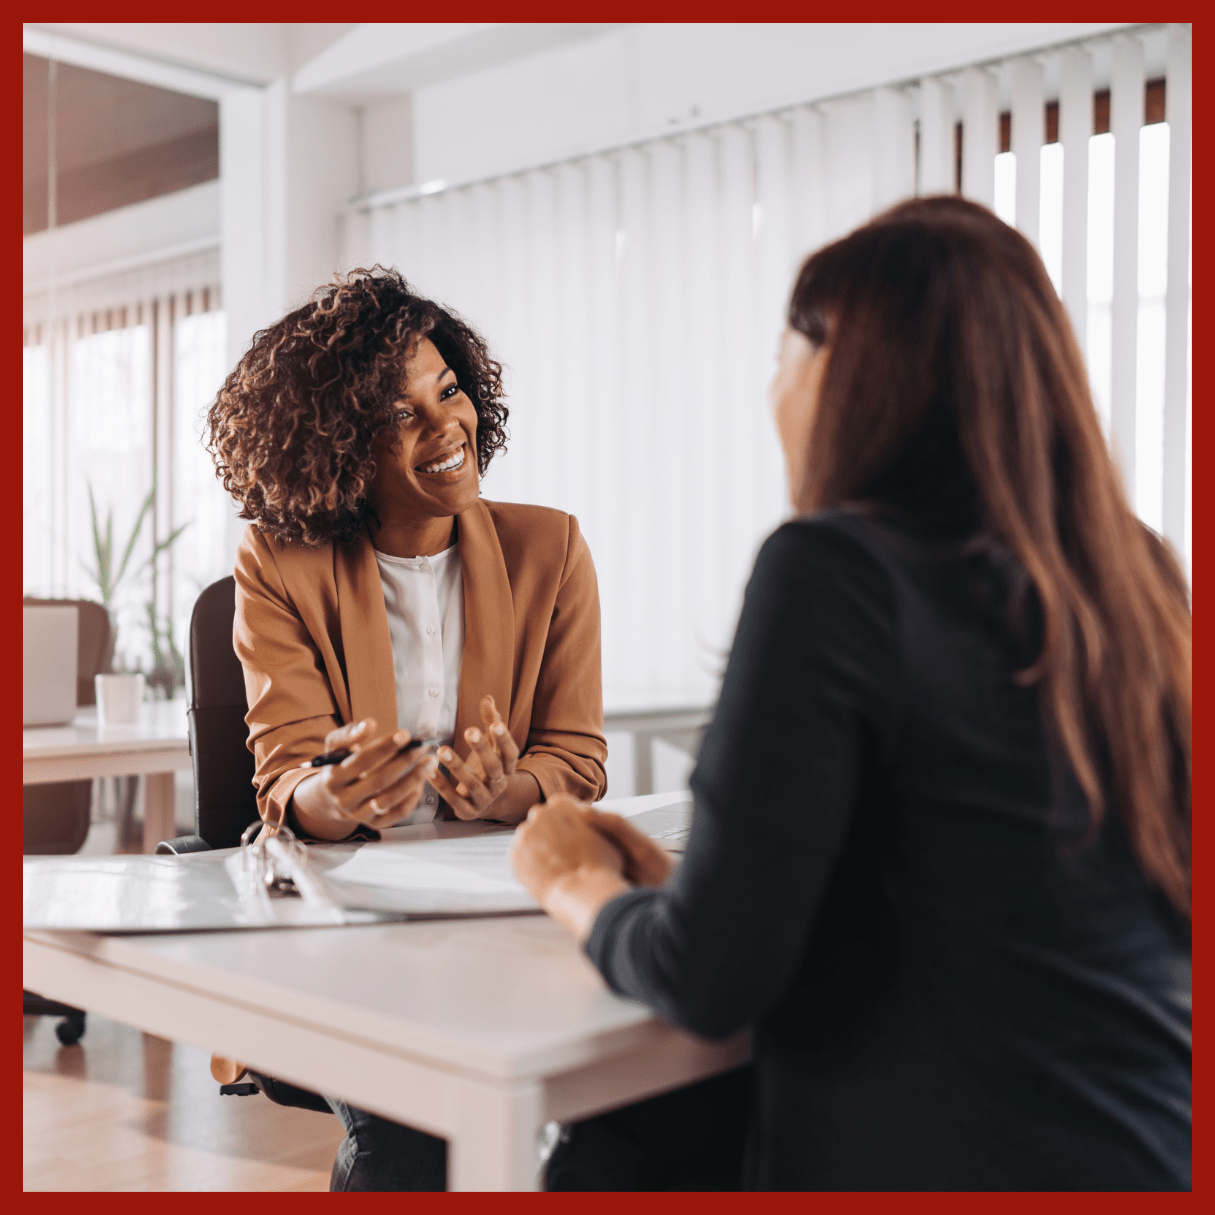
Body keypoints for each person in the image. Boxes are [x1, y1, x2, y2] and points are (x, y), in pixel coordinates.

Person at [512, 197, 1192, 1191]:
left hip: (962, 1164)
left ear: (842, 367)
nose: (771, 390)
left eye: (782, 355)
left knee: (612, 1155)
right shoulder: (1134, 574)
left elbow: (709, 983)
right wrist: (695, 895)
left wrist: (572, 881)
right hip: (1159, 1148)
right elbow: (996, 894)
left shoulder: (834, 570)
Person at [205, 267, 608, 1190]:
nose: (445, 430)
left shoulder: (550, 549)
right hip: (348, 930)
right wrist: (338, 796)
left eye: (450, 391)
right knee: (413, 1130)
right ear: (336, 442)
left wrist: (510, 790)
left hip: (500, 919)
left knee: (628, 1103)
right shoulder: (281, 561)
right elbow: (284, 783)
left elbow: (576, 758)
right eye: (400, 414)